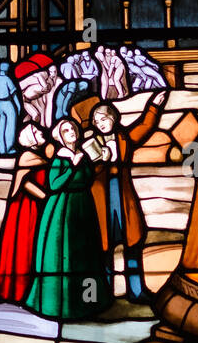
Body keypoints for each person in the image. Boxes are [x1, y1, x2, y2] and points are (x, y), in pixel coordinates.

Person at [82, 89, 167, 303]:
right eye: (95, 120)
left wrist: (154, 106)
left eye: (103, 118)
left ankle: (137, 291)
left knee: (132, 247)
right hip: (101, 201)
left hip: (122, 196)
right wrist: (97, 160)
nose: (99, 123)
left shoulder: (124, 138)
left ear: (113, 118)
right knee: (103, 252)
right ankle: (102, 295)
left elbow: (145, 127)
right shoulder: (90, 145)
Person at [24, 118, 110, 320]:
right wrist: (72, 166)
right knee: (61, 254)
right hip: (62, 209)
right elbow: (54, 185)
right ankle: (57, 305)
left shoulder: (82, 154)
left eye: (73, 128)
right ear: (60, 136)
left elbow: (89, 177)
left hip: (83, 206)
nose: (71, 131)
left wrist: (95, 161)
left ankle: (88, 302)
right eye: (66, 130)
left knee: (85, 254)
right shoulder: (60, 158)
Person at [0, 123, 52, 303]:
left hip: (35, 207)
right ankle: (19, 290)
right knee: (24, 245)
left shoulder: (38, 155)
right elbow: (25, 184)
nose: (40, 132)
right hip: (25, 209)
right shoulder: (27, 156)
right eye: (35, 131)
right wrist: (46, 198)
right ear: (30, 139)